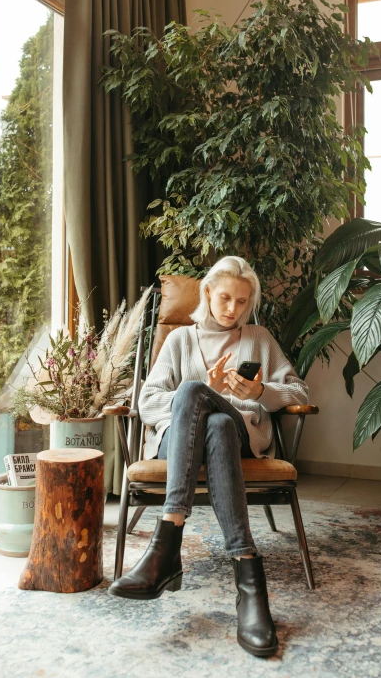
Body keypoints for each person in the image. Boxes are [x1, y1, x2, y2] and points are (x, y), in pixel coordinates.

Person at [110, 256, 308, 657]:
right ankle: (249, 577)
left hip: (240, 437)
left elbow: (299, 392)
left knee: (215, 415)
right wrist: (201, 392)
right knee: (199, 405)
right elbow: (146, 402)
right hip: (177, 440)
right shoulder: (180, 340)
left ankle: (166, 548)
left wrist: (259, 394)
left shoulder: (259, 338)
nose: (232, 308)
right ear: (206, 293)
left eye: (241, 301)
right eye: (224, 298)